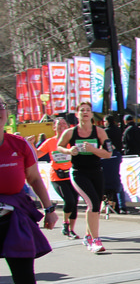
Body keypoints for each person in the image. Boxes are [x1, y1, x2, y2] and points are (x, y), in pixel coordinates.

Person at [0, 100, 62, 284]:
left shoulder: (19, 144)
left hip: (15, 217)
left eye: (0, 106)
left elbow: (34, 178)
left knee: (25, 278)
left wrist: (49, 209)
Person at [56, 102, 110, 253]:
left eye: (88, 110)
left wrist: (93, 149)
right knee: (92, 203)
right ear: (77, 114)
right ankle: (95, 240)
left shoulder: (99, 132)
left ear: (91, 114)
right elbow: (59, 146)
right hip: (78, 172)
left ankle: (88, 236)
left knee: (96, 205)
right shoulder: (70, 132)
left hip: (96, 171)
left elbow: (108, 153)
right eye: (82, 110)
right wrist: (69, 151)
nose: (85, 112)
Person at [36, 117, 81, 239]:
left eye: (64, 123)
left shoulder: (72, 140)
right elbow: (37, 154)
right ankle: (65, 223)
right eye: (59, 124)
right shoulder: (50, 142)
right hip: (57, 176)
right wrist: (29, 146)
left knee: (74, 202)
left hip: (72, 175)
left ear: (68, 126)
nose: (62, 126)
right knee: (69, 201)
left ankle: (71, 230)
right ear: (54, 127)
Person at [103, 114, 126, 215]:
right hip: (117, 154)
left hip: (107, 155)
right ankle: (122, 207)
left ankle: (109, 204)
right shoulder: (118, 130)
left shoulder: (105, 132)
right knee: (117, 182)